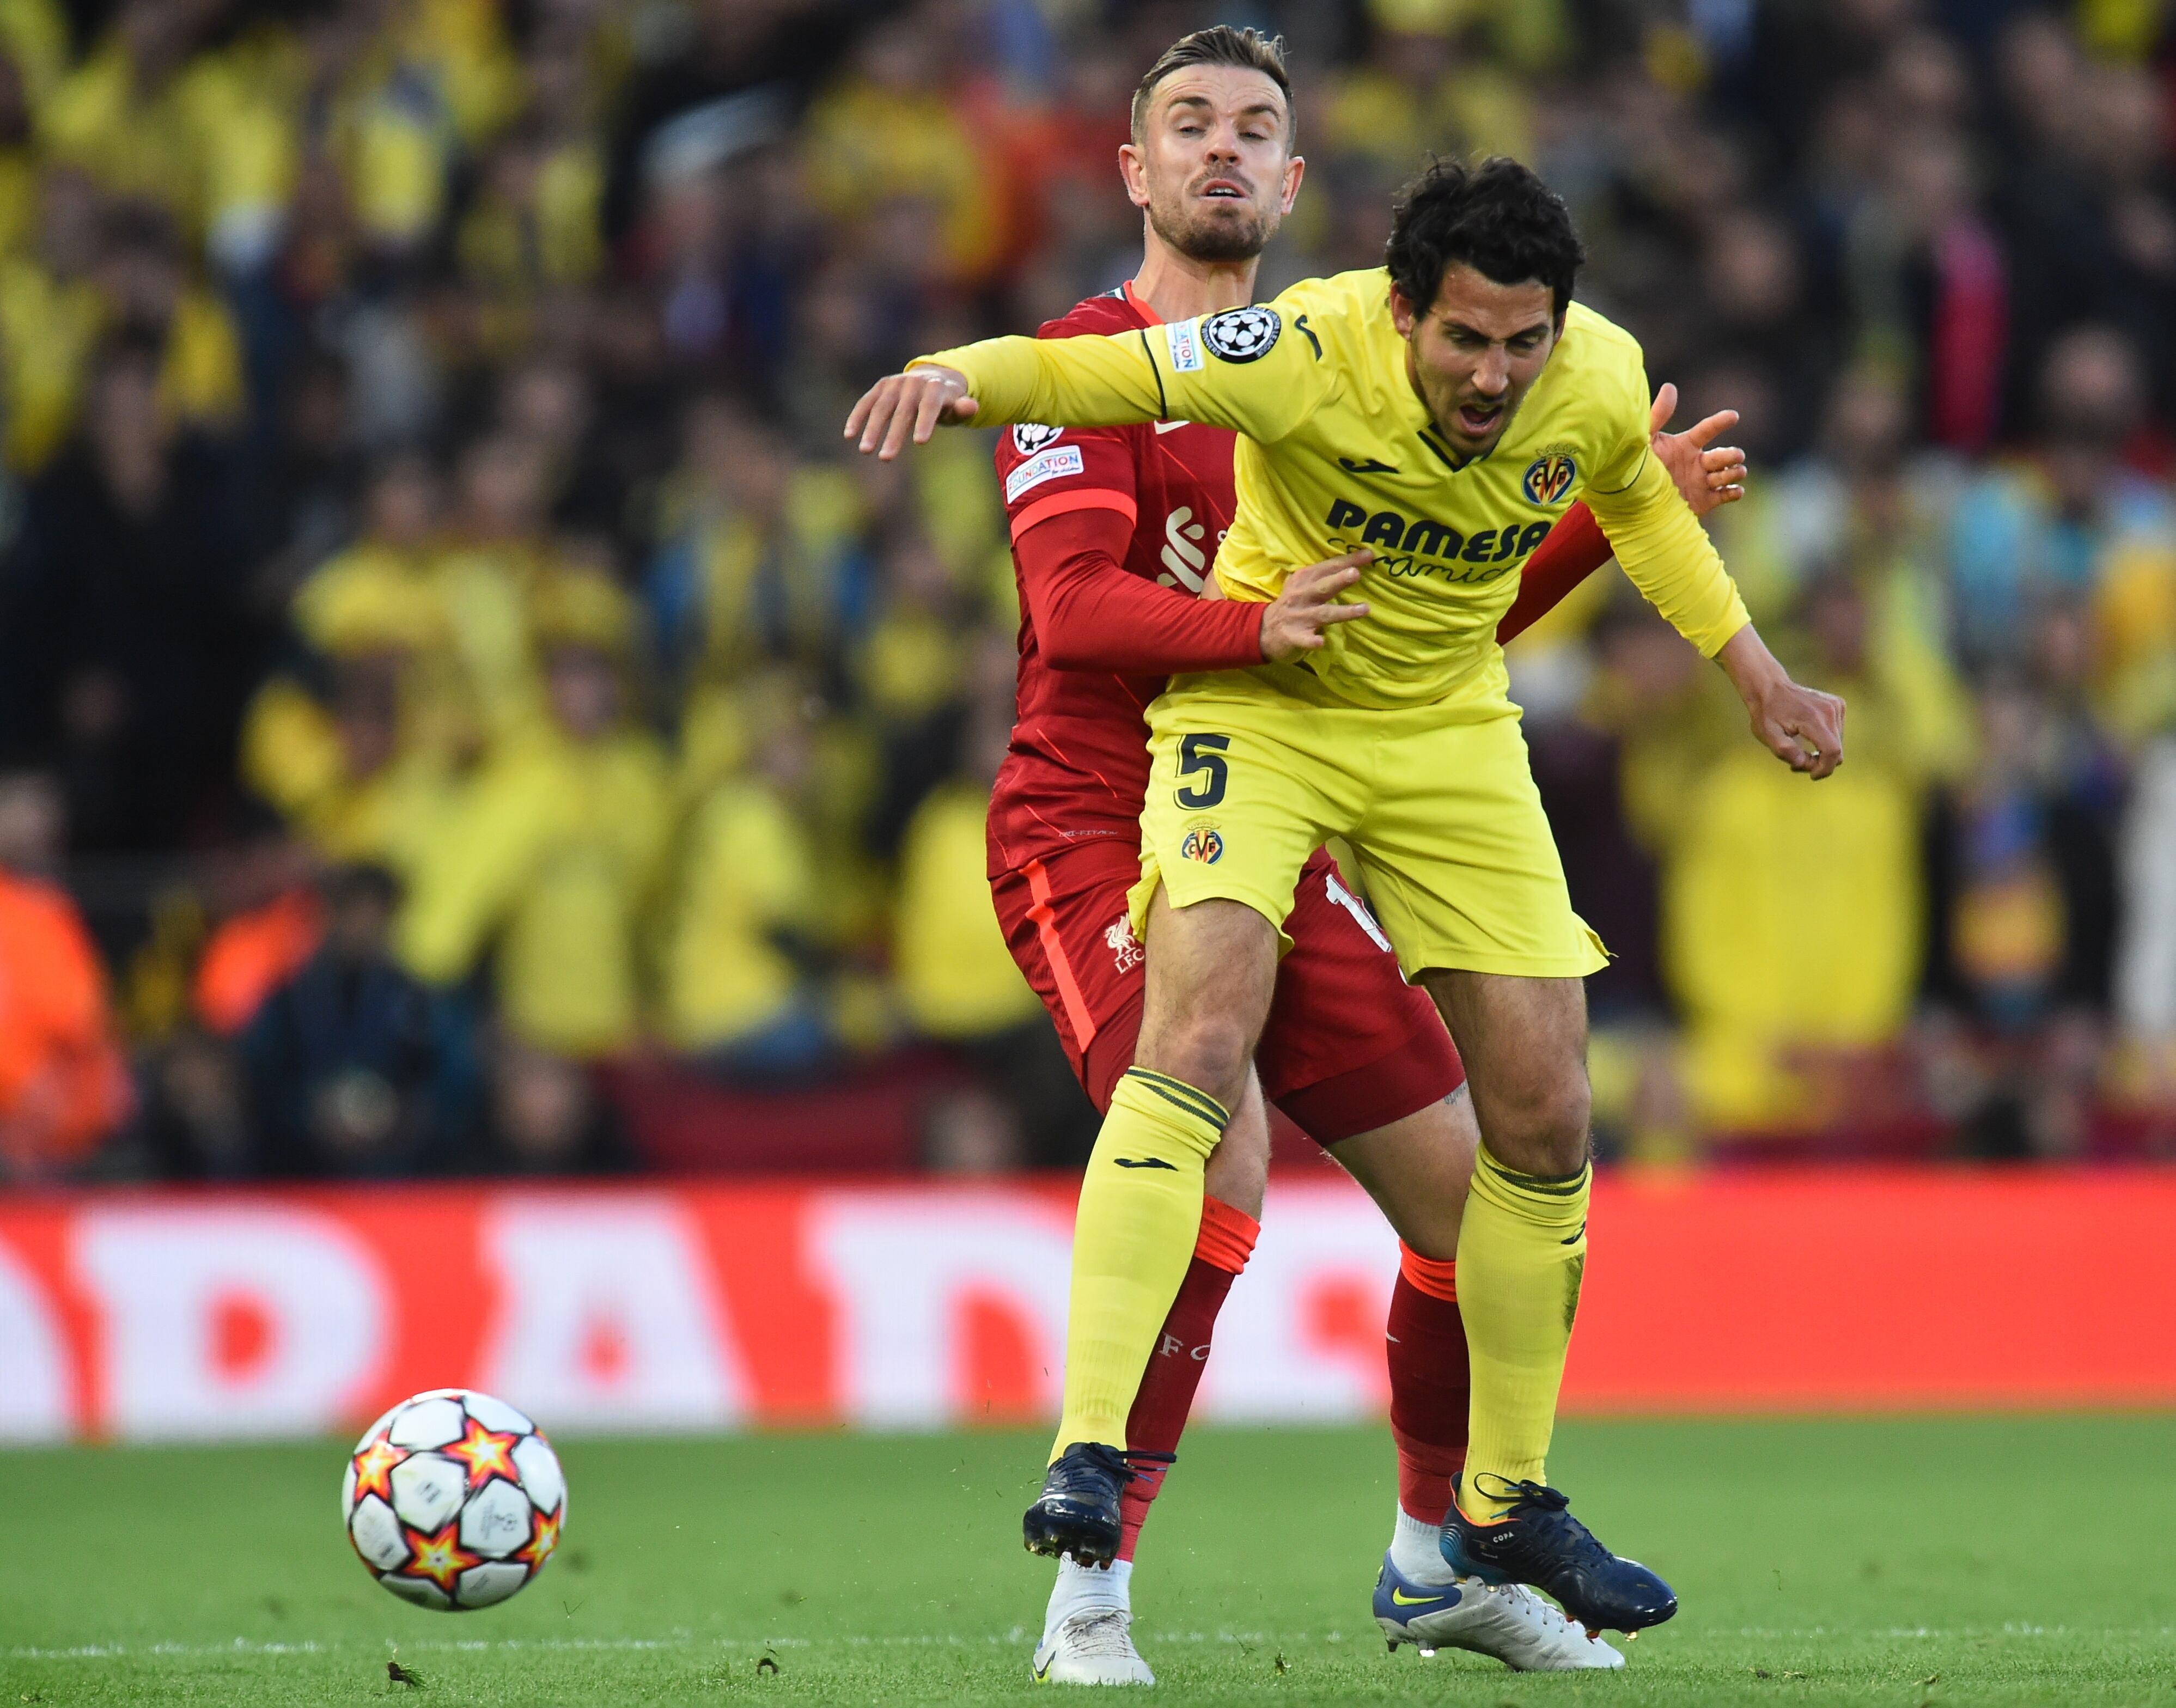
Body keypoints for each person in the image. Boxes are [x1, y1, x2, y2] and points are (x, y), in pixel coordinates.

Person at [851, 101, 1840, 1639]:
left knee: (1482, 1180)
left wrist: (1723, 641)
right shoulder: (1214, 359)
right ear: (1134, 169)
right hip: (1119, 790)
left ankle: (1447, 1553)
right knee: (1209, 1134)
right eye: (1190, 124)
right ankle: (1089, 1568)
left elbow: (1450, 605)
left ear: (1298, 178)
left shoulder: (1493, 377)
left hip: (1386, 752)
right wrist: (951, 379)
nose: (1224, 151)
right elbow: (1076, 611)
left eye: (1257, 126)